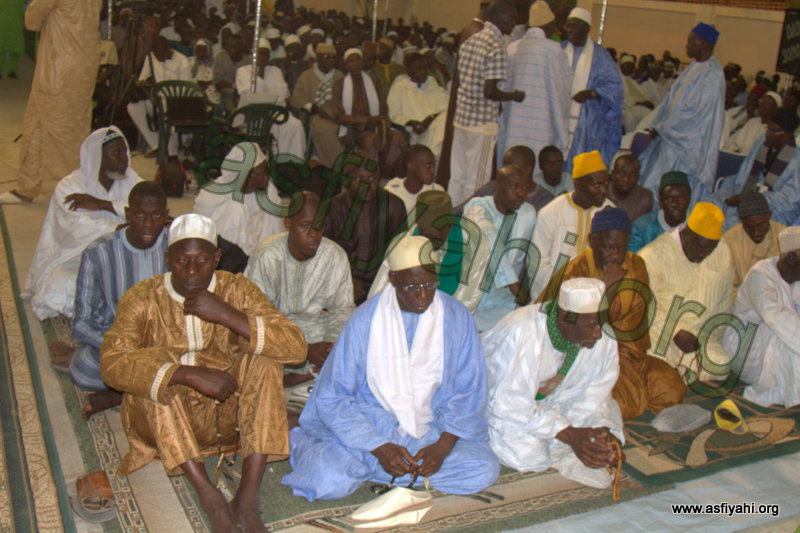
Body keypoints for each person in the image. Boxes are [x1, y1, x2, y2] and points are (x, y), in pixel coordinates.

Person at [100, 213, 307, 533]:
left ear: (217, 258)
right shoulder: (142, 298)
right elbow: (111, 363)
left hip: (229, 420)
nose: (192, 271)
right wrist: (184, 373)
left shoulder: (236, 289)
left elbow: (296, 347)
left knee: (266, 360)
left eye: (203, 260)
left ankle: (247, 497)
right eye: (182, 260)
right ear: (167, 259)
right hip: (167, 425)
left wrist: (227, 314)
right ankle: (209, 496)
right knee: (155, 369)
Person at [282, 235, 500, 501]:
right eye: (413, 287)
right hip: (369, 429)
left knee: (484, 469)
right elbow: (333, 397)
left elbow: (469, 392)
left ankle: (375, 470)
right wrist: (380, 448)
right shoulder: (364, 321)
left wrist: (441, 449)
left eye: (430, 285)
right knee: (327, 481)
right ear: (393, 279)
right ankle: (384, 466)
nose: (423, 296)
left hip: (428, 431)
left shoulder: (457, 317)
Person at [539, 207, 686, 420]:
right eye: (609, 248)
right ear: (592, 241)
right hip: (584, 357)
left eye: (622, 248)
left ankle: (620, 390)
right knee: (625, 404)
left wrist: (624, 357)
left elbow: (636, 323)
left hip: (627, 354)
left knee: (672, 389)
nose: (616, 255)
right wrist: (606, 288)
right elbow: (567, 329)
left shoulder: (636, 266)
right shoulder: (575, 272)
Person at [484, 277, 624, 488]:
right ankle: (566, 449)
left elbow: (597, 391)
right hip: (500, 404)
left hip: (555, 405)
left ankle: (580, 444)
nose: (598, 333)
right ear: (564, 319)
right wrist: (569, 434)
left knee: (606, 419)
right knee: (527, 454)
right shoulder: (522, 330)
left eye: (602, 323)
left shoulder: (604, 335)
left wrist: (600, 432)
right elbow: (510, 404)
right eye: (591, 326)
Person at [66, 182, 169, 416]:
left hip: (168, 342)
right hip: (121, 344)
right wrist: (126, 348)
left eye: (156, 215)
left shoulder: (176, 247)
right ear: (127, 214)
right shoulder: (99, 252)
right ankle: (152, 389)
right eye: (140, 215)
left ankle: (119, 395)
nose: (148, 224)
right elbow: (82, 323)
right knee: (83, 367)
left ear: (166, 216)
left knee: (203, 362)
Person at [24, 127, 141, 320]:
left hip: (124, 255)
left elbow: (150, 210)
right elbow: (77, 228)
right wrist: (126, 228)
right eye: (117, 153)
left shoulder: (133, 181)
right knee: (59, 284)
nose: (125, 158)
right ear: (98, 158)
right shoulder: (69, 186)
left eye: (125, 151)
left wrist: (105, 205)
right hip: (76, 257)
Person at [245, 191, 355, 385]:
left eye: (319, 226)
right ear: (288, 224)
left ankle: (306, 375)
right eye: (304, 226)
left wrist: (329, 347)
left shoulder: (334, 256)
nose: (313, 234)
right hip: (277, 336)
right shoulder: (267, 256)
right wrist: (304, 350)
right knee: (252, 352)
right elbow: (255, 316)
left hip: (319, 333)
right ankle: (297, 378)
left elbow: (342, 309)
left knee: (358, 344)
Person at [0, 0, 102, 204]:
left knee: (39, 125)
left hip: (59, 66)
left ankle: (27, 188)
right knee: (76, 128)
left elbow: (31, 20)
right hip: (85, 66)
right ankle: (76, 185)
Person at [639, 202, 733, 382]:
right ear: (685, 233)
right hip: (660, 336)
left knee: (720, 365)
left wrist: (713, 337)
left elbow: (724, 302)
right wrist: (675, 332)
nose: (703, 254)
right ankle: (673, 379)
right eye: (699, 247)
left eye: (710, 249)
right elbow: (643, 306)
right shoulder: (652, 255)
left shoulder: (722, 251)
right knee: (654, 363)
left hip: (698, 339)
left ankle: (676, 379)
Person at [448, 0, 525, 206]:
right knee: (477, 181)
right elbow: (490, 91)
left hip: (462, 119)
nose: (513, 23)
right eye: (510, 18)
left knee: (457, 177)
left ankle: (452, 214)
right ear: (496, 17)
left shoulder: (470, 40)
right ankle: (470, 219)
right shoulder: (497, 46)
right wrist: (514, 95)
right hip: (482, 124)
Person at [638, 23, 725, 202]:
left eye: (691, 41)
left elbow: (694, 116)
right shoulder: (694, 67)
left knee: (674, 195)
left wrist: (662, 128)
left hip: (686, 149)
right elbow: (670, 102)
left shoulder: (712, 75)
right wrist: (657, 125)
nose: (686, 45)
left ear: (703, 44)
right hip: (670, 140)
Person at [369, 190, 491, 313]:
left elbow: (468, 299)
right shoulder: (403, 241)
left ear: (449, 226)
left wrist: (435, 319)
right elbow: (379, 292)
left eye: (433, 237)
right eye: (423, 234)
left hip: (449, 315)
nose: (427, 242)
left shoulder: (475, 243)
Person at [725, 227, 800, 407]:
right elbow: (777, 319)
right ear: (792, 258)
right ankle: (796, 401)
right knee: (783, 335)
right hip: (745, 350)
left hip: (778, 352)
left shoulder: (796, 276)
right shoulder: (760, 276)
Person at [324, 151, 408, 303]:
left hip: (383, 282)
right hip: (341, 281)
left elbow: (400, 252)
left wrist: (383, 284)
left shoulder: (393, 206)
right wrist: (346, 279)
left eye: (372, 179)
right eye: (360, 179)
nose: (367, 185)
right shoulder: (332, 208)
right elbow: (324, 254)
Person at [496, 1, 572, 165]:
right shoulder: (553, 50)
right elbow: (561, 95)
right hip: (543, 127)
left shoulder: (512, 48)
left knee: (514, 167)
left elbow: (501, 88)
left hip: (513, 126)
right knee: (537, 168)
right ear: (548, 26)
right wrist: (563, 136)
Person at [464, 165, 537, 331]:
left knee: (528, 317)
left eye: (525, 188)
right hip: (473, 292)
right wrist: (513, 283)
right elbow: (488, 238)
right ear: (497, 186)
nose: (521, 193)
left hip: (503, 297)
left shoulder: (528, 213)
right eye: (515, 187)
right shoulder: (478, 206)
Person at [532, 150, 613, 299]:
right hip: (555, 293)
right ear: (578, 185)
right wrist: (563, 289)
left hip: (596, 293)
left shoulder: (610, 213)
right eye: (597, 185)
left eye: (606, 184)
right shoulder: (551, 212)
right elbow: (538, 262)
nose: (603, 191)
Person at [708, 108, 800, 231]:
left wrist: (753, 200)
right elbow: (744, 174)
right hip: (745, 195)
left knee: (737, 226)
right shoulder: (762, 143)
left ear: (787, 135)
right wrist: (729, 196)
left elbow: (789, 200)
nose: (768, 134)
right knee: (708, 207)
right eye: (768, 128)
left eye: (773, 131)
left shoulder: (796, 161)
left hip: (774, 210)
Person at [194, 142, 286, 258]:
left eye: (265, 171)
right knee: (236, 209)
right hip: (225, 257)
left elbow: (277, 233)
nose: (266, 178)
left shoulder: (269, 191)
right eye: (259, 174)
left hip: (259, 257)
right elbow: (199, 234)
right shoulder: (212, 195)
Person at [561, 7, 623, 174]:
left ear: (586, 29)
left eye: (574, 26)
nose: (569, 29)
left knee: (582, 168)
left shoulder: (600, 56)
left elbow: (615, 87)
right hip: (559, 119)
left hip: (586, 123)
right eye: (568, 25)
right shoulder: (559, 50)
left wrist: (591, 93)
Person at [332, 48, 407, 180]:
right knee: (372, 139)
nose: (355, 64)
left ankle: (388, 173)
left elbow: (383, 110)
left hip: (377, 127)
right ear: (345, 65)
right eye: (351, 61)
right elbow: (339, 117)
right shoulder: (339, 84)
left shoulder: (374, 81)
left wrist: (383, 123)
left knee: (398, 136)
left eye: (358, 60)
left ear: (363, 62)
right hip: (354, 131)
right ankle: (371, 178)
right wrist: (366, 120)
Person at [235, 38, 306, 160]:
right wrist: (261, 71)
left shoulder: (275, 71)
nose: (262, 56)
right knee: (270, 128)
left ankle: (292, 163)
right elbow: (249, 93)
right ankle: (271, 162)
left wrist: (267, 91)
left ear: (269, 56)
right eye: (260, 52)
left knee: (296, 125)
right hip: (252, 115)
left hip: (275, 113)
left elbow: (284, 92)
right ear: (253, 54)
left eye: (265, 53)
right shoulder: (243, 71)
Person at [125, 36, 192, 158]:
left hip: (176, 101)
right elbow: (142, 80)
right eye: (156, 55)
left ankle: (171, 152)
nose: (159, 58)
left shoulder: (183, 61)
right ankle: (156, 145)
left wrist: (163, 92)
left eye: (162, 55)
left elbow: (184, 91)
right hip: (155, 99)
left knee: (167, 108)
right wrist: (144, 86)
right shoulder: (150, 58)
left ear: (168, 49)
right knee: (133, 107)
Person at [289, 42, 344, 167]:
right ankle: (336, 165)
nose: (331, 60)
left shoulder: (339, 75)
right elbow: (296, 98)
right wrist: (313, 108)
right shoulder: (306, 76)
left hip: (337, 114)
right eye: (327, 57)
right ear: (318, 59)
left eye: (333, 57)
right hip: (315, 115)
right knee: (327, 129)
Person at [386, 53, 449, 161]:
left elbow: (446, 108)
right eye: (418, 69)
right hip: (415, 132)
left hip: (436, 129)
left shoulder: (434, 87)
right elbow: (394, 114)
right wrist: (411, 123)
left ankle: (433, 159)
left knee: (446, 117)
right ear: (409, 71)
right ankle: (431, 159)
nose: (423, 72)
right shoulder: (399, 88)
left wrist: (430, 119)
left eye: (425, 68)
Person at [722, 191, 785, 291]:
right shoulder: (729, 240)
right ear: (741, 220)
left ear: (769, 216)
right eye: (749, 227)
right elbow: (729, 286)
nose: (756, 232)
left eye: (761, 225)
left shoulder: (785, 237)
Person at [628, 171, 692, 253]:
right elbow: (633, 257)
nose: (675, 204)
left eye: (681, 199)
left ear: (689, 199)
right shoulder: (643, 226)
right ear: (661, 201)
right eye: (669, 199)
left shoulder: (697, 229)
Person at [384, 145, 444, 220]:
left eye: (434, 166)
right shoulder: (392, 193)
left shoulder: (437, 191)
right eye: (428, 165)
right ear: (411, 166)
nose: (433, 171)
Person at [607, 154, 653, 223]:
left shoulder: (645, 198)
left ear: (638, 178)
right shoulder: (602, 194)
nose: (626, 179)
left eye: (632, 175)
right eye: (622, 174)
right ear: (612, 175)